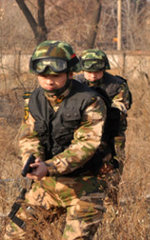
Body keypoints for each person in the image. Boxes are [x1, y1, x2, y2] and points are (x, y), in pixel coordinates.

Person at [4, 40, 107, 240]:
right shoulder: (34, 99)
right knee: (14, 235)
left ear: (70, 73)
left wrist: (49, 166)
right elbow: (30, 136)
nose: (49, 82)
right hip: (46, 186)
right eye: (43, 76)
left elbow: (85, 146)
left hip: (83, 188)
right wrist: (31, 160)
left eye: (56, 76)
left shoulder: (90, 100)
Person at [75, 49, 132, 206]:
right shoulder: (75, 84)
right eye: (89, 71)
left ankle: (111, 209)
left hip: (112, 136)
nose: (93, 75)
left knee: (112, 175)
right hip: (82, 135)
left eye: (97, 71)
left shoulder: (116, 85)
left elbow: (120, 107)